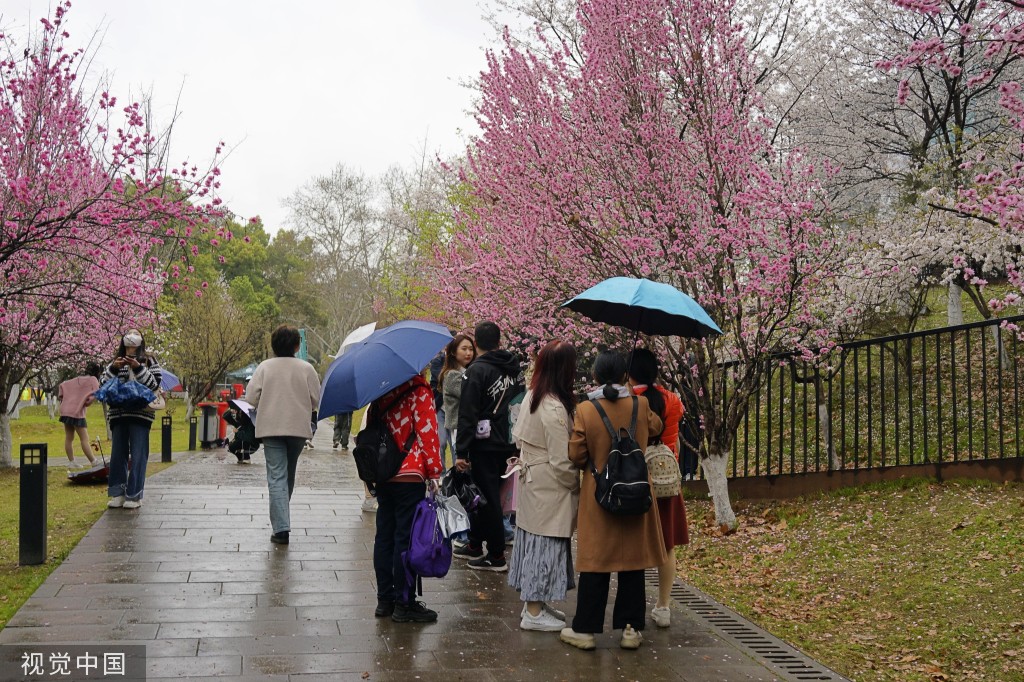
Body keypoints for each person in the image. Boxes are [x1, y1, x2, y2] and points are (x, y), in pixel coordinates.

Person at [560, 350, 666, 651]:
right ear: (624, 376)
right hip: (635, 491)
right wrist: (633, 399)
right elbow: (657, 427)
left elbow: (576, 454)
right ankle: (631, 629)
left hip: (600, 495)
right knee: (633, 561)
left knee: (595, 562)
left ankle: (585, 629)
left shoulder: (586, 409)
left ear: (594, 376)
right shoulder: (640, 403)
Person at [508, 340, 580, 632]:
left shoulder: (533, 396)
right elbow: (562, 460)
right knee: (545, 545)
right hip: (549, 486)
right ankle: (534, 612)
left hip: (532, 481)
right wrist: (576, 484)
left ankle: (534, 605)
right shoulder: (553, 407)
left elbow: (519, 437)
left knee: (534, 542)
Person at [370, 372, 442, 623]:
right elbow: (428, 434)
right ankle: (404, 603)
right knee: (405, 539)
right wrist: (434, 471)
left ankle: (384, 600)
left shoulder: (380, 391)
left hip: (384, 473)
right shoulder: (419, 391)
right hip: (410, 474)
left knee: (384, 537)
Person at [627, 348, 689, 628]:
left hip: (637, 480)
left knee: (635, 543)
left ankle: (632, 610)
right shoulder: (673, 400)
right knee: (667, 545)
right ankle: (663, 606)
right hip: (667, 481)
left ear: (629, 373)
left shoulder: (630, 401)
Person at [454, 321, 523, 572]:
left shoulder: (476, 371)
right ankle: (474, 543)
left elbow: (467, 413)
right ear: (498, 340)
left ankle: (496, 555)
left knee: (488, 499)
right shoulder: (515, 369)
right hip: (509, 441)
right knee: (488, 496)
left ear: (476, 342)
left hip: (484, 444)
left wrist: (461, 451)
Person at [244, 325, 321, 545]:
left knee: (277, 476)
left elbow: (251, 398)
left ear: (273, 345)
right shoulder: (307, 368)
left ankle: (281, 529)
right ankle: (281, 521)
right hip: (298, 429)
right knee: (288, 474)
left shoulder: (265, 367)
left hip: (271, 427)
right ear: (297, 345)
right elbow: (316, 400)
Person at [103, 330, 163, 509]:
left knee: (138, 454)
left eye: (135, 336)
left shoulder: (150, 360)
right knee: (117, 455)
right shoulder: (115, 361)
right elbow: (103, 384)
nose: (131, 342)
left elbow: (154, 384)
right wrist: (114, 368)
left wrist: (138, 367)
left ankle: (134, 495)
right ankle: (117, 493)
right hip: (119, 413)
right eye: (129, 337)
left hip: (141, 413)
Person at [440, 334, 476, 469]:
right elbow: (471, 396)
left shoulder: (467, 371)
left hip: (467, 430)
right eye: (464, 349)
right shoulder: (452, 375)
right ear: (454, 352)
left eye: (471, 349)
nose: (468, 353)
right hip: (459, 431)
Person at [58, 362, 102, 468]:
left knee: (69, 437)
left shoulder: (75, 380)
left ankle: (71, 462)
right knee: (84, 438)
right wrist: (87, 402)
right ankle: (93, 461)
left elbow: (62, 386)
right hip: (76, 412)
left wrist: (62, 398)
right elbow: (97, 394)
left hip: (65, 410)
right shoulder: (93, 380)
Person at [428, 349, 449, 464]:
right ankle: (441, 472)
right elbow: (441, 378)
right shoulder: (437, 361)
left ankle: (457, 474)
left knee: (455, 445)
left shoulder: (461, 361)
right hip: (440, 406)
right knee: (441, 441)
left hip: (454, 408)